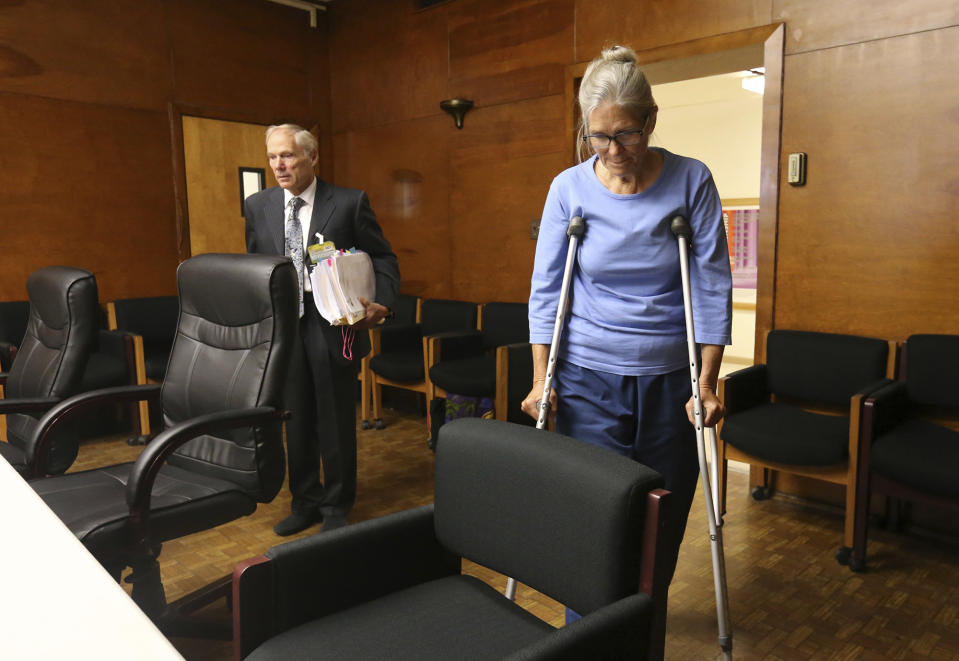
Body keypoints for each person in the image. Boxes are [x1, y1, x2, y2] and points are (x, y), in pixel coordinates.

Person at [522, 45, 732, 606]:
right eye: (599, 137)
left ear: (651, 121)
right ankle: (586, 631)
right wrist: (542, 379)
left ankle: (643, 623)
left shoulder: (692, 180)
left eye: (627, 135)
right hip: (588, 377)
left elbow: (711, 285)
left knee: (659, 516)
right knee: (593, 516)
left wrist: (706, 383)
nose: (614, 151)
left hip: (671, 380)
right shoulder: (568, 189)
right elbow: (547, 291)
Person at [245, 124, 400, 536]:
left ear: (312, 158)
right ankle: (305, 500)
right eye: (273, 156)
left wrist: (382, 302)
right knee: (294, 417)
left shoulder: (349, 203)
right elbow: (255, 264)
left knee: (333, 418)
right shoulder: (257, 205)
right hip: (284, 326)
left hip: (334, 323)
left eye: (288, 156)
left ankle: (336, 503)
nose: (279, 165)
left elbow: (383, 256)